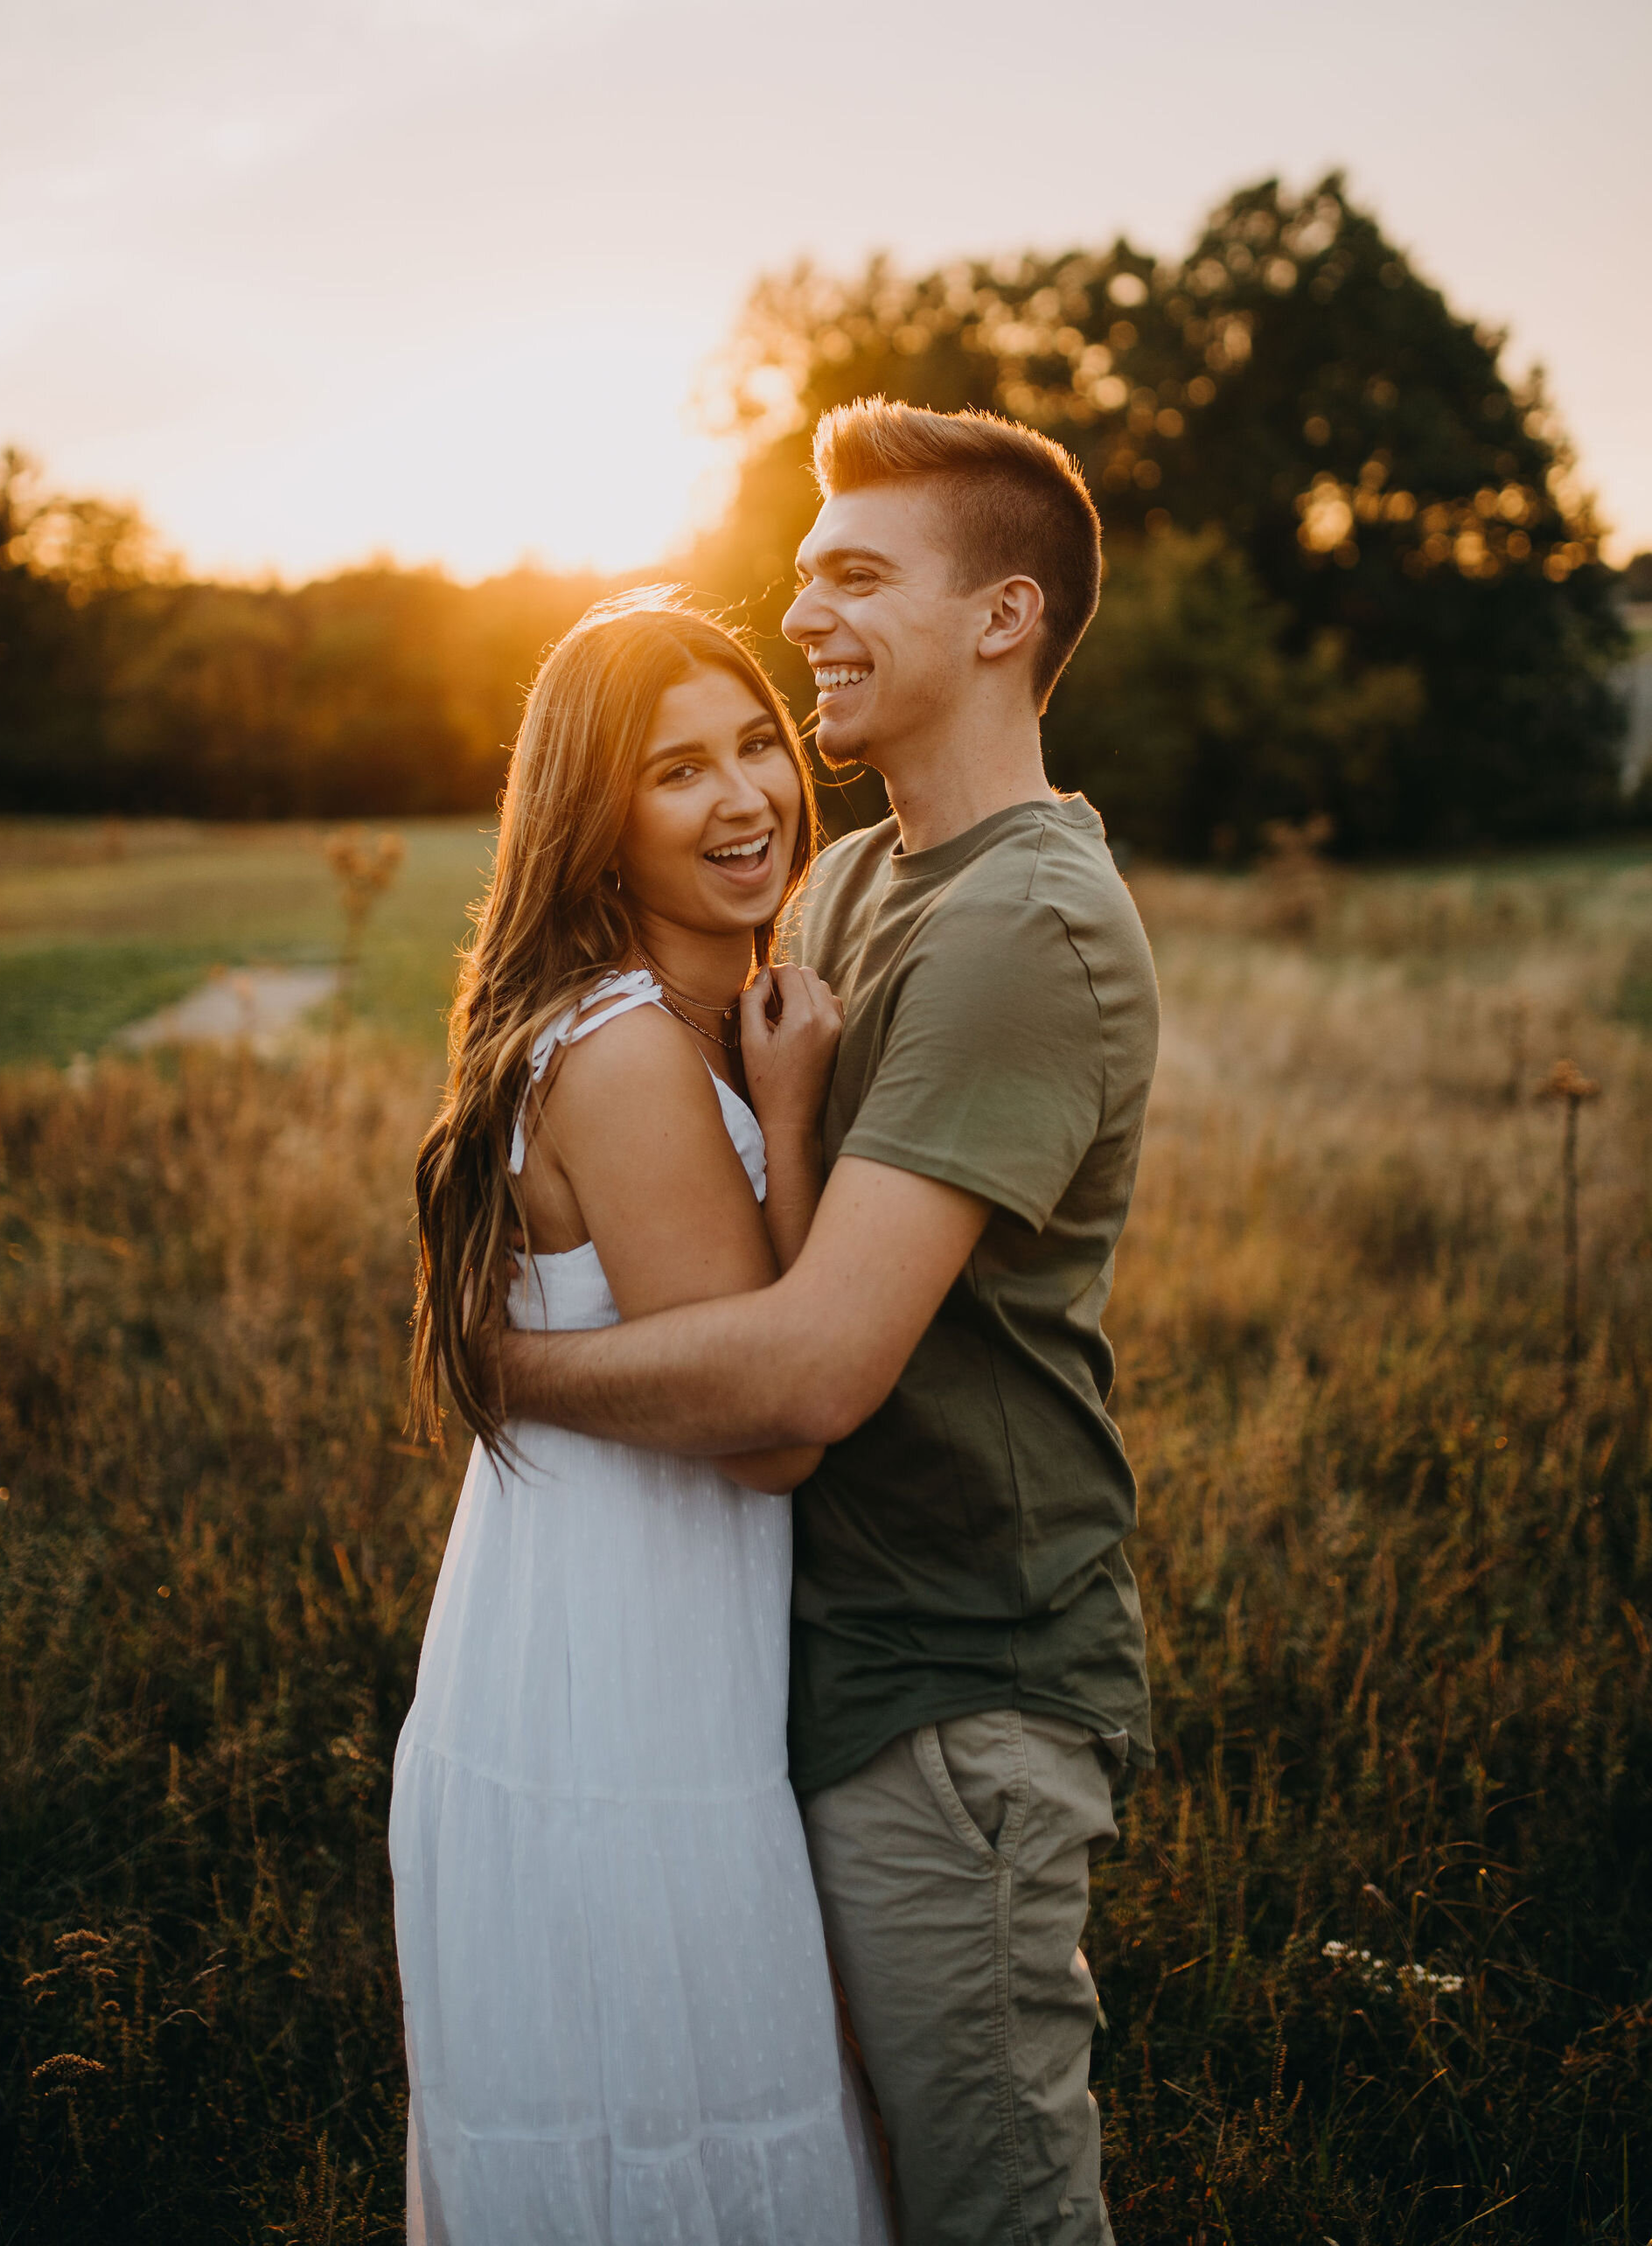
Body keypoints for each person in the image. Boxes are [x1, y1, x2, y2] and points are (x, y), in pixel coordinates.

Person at [500, 401, 1161, 2246]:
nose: (803, 618)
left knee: (993, 2209)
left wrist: (497, 1363)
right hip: (807, 1661)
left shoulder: (1023, 923)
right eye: (802, 576)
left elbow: (811, 1367)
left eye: (856, 576)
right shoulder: (863, 878)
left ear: (1003, 617)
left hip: (959, 1681)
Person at [389, 596, 890, 2245]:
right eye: (678, 769)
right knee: (666, 2136)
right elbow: (771, 1427)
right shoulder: (622, 1053)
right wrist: (799, 1118)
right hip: (613, 1701)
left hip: (643, 1661)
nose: (745, 795)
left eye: (757, 741)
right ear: (595, 819)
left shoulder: (698, 1022)